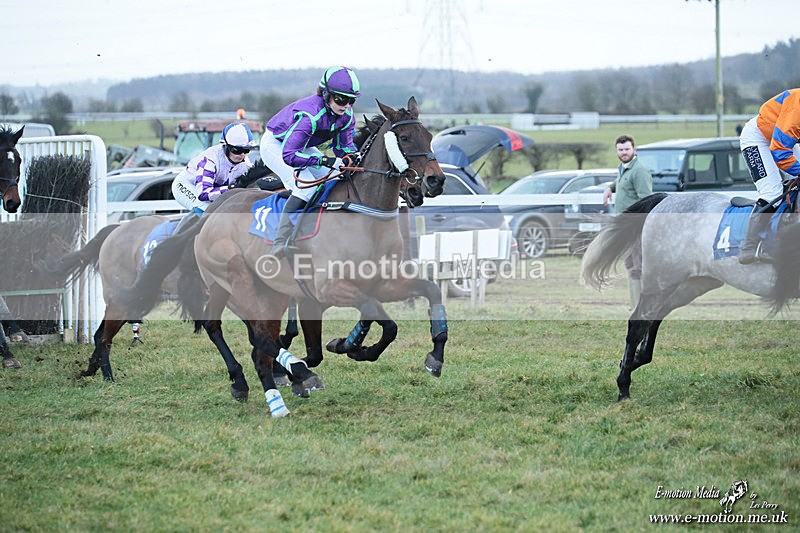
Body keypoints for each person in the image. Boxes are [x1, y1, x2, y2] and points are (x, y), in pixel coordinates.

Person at [260, 66, 360, 257]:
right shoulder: (310, 116)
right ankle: (280, 240)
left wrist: (354, 158)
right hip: (277, 145)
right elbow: (290, 156)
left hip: (302, 145)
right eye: (341, 99)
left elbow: (344, 148)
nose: (346, 105)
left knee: (335, 178)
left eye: (351, 100)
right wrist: (323, 159)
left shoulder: (347, 116)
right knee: (306, 187)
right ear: (326, 94)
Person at [738, 88, 800, 264]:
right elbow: (780, 152)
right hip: (759, 138)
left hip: (785, 139)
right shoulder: (796, 109)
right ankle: (750, 246)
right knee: (772, 191)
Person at [171, 122, 256, 229]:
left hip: (214, 188)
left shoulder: (246, 165)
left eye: (246, 150)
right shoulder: (210, 159)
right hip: (188, 185)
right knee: (207, 210)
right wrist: (231, 188)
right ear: (226, 146)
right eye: (237, 150)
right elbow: (203, 194)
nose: (242, 155)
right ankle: (181, 237)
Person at [603, 135, 653, 309]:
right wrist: (610, 188)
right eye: (620, 150)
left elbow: (646, 200)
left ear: (634, 150)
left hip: (635, 226)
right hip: (625, 226)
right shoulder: (624, 168)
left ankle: (645, 305)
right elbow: (623, 182)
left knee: (640, 265)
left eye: (626, 149)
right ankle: (635, 305)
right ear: (616, 151)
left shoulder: (639, 171)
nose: (623, 152)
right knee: (630, 264)